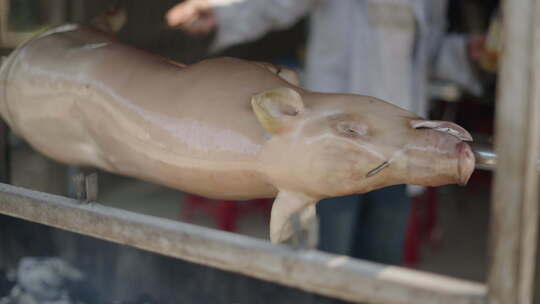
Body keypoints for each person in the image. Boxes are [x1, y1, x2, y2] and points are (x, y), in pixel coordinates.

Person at [166, 0, 482, 264]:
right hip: (336, 145)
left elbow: (429, 51)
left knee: (384, 257)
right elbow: (276, 3)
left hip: (399, 145)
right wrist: (221, 13)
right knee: (333, 256)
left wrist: (467, 51)